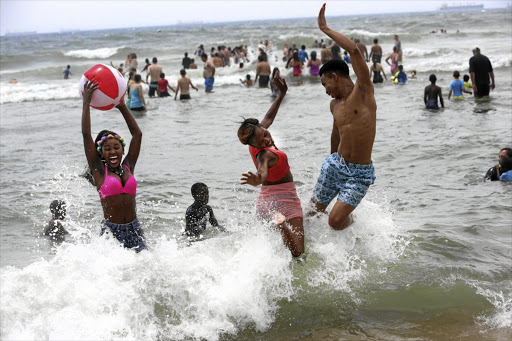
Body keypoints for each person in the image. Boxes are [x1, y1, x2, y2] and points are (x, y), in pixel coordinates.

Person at [311, 4, 376, 231]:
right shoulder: (333, 105)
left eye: (324, 84)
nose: (325, 89)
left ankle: (353, 222)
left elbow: (355, 52)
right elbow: (336, 133)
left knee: (335, 221)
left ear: (334, 77)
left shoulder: (364, 92)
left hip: (359, 172)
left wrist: (325, 29)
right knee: (311, 214)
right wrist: (330, 164)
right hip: (335, 165)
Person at [237, 78, 304, 257]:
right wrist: (257, 180)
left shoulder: (256, 139)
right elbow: (262, 172)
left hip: (265, 202)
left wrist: (282, 94)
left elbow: (268, 118)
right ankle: (282, 224)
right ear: (255, 145)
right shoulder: (265, 154)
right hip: (285, 198)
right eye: (262, 141)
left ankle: (281, 226)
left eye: (265, 134)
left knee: (278, 251)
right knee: (298, 253)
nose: (267, 139)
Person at [81, 80, 146, 252]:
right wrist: (86, 103)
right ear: (101, 153)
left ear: (123, 149)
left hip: (135, 230)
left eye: (116, 147)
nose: (112, 152)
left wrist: (122, 106)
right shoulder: (99, 172)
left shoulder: (129, 166)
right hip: (111, 232)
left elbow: (137, 134)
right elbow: (87, 135)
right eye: (107, 149)